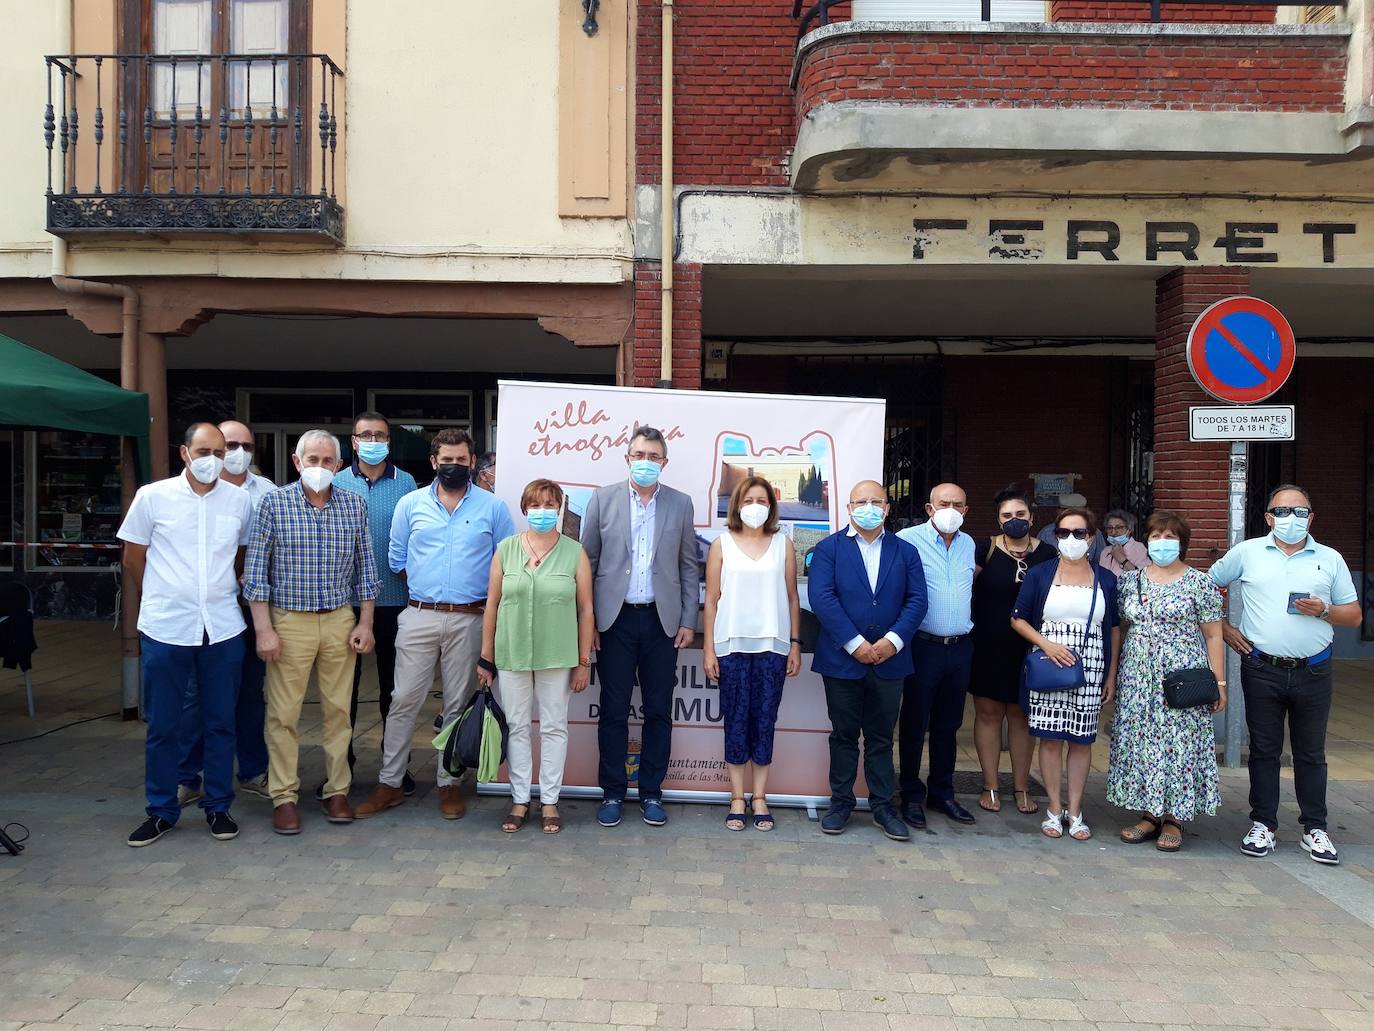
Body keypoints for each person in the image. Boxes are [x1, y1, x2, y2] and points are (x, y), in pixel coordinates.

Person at [354, 429, 514, 821]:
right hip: (419, 615)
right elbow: (396, 557)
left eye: (461, 460)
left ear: (472, 462)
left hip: (470, 619)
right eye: (447, 460)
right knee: (403, 699)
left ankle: (449, 783)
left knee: (458, 704)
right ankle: (390, 782)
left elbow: (505, 564)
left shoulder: (493, 508)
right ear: (433, 462)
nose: (454, 466)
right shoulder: (410, 504)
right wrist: (431, 592)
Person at [118, 422, 253, 847]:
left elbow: (240, 556)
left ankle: (218, 806)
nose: (213, 459)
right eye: (204, 450)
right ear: (184, 453)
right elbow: (133, 557)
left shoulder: (239, 501)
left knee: (220, 722)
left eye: (220, 451)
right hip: (166, 627)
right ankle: (161, 810)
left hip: (223, 627)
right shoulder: (152, 497)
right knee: (163, 724)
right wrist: (164, 595)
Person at [1210, 484, 1360, 865]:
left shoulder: (1329, 558)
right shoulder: (1247, 552)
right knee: (1264, 750)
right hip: (1262, 667)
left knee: (1311, 753)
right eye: (1282, 511)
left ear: (1311, 518)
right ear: (1268, 517)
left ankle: (1315, 828)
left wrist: (1324, 610)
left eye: (1299, 512)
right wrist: (1225, 630)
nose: (1290, 519)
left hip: (1314, 668)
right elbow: (1206, 588)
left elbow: (1354, 614)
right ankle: (1263, 824)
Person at [242, 429, 379, 835]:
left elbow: (366, 568)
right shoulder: (274, 503)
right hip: (289, 622)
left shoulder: (353, 505)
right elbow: (256, 574)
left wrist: (365, 622)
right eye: (312, 460)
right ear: (297, 462)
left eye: (327, 461)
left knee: (340, 712)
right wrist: (263, 629)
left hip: (338, 619)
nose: (319, 467)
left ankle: (337, 790)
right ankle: (284, 796)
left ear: (339, 465)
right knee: (284, 714)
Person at [581, 426, 699, 829]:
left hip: (661, 622)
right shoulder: (602, 499)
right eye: (638, 455)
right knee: (613, 711)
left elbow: (688, 566)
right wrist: (589, 622)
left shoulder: (681, 504)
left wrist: (688, 620)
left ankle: (651, 792)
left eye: (653, 456)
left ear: (663, 462)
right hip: (614, 620)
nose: (645, 461)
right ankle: (612, 791)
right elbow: (588, 564)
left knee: (658, 711)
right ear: (627, 458)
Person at [809, 481, 928, 841]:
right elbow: (822, 598)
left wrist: (891, 642)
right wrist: (855, 644)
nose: (869, 507)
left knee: (880, 738)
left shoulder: (905, 551)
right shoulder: (829, 549)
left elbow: (917, 600)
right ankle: (840, 804)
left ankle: (882, 806)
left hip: (890, 661)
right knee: (843, 735)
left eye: (876, 501)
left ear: (888, 508)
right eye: (862, 501)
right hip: (843, 661)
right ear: (848, 507)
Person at [477, 479, 594, 835]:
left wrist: (583, 661)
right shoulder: (506, 549)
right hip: (511, 653)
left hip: (557, 656)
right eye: (536, 504)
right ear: (525, 508)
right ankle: (519, 798)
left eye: (549, 504)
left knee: (555, 727)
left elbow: (586, 609)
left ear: (559, 509)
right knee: (516, 727)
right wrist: (486, 658)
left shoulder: (575, 552)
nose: (542, 511)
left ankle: (550, 801)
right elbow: (493, 604)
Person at [1107, 511, 1226, 852]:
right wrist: (1113, 675)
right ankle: (1149, 813)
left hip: (1182, 678)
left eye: (1170, 537)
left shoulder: (1198, 583)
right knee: (1143, 744)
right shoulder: (1131, 581)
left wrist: (1219, 685)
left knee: (1179, 745)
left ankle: (1175, 817)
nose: (1162, 543)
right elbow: (1121, 630)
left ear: (1182, 543)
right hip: (1138, 678)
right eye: (1156, 536)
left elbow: (1214, 636)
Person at [177, 418, 275, 805]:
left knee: (250, 695)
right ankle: (187, 775)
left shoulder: (266, 492)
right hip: (201, 613)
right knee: (195, 696)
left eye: (244, 446)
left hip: (251, 612)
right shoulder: (181, 492)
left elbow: (263, 552)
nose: (235, 454)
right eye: (228, 445)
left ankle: (252, 770)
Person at [1012, 507, 1121, 842]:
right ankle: (1054, 809)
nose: (1071, 540)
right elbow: (1018, 618)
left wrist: (1111, 675)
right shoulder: (1040, 573)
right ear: (1054, 537)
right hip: (1048, 664)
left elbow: (1114, 628)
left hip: (1091, 665)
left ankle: (1076, 811)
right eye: (1063, 533)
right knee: (1049, 738)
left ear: (1091, 537)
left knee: (1081, 741)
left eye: (1079, 533)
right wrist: (1046, 645)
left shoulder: (1106, 578)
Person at [702, 476, 802, 832]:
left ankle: (760, 797)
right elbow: (711, 601)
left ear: (771, 506)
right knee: (736, 720)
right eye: (749, 500)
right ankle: (737, 798)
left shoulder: (783, 545)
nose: (755, 506)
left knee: (764, 721)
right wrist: (709, 650)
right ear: (737, 505)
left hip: (772, 648)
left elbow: (793, 598)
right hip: (731, 648)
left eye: (762, 500)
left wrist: (794, 644)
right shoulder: (721, 545)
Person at [331, 411, 418, 800]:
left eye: (379, 435)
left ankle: (395, 769)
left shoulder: (408, 484)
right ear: (353, 441)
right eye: (365, 434)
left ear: (389, 441)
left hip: (395, 601)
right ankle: (340, 769)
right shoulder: (335, 482)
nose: (372, 440)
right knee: (341, 692)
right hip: (344, 602)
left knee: (394, 692)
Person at [968, 488, 1055, 817]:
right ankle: (990, 784)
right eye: (1007, 516)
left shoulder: (1048, 553)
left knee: (1021, 717)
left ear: (1031, 517)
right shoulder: (984, 549)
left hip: (1031, 646)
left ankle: (1021, 786)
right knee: (989, 716)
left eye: (1020, 515)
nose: (1014, 521)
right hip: (988, 645)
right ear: (998, 519)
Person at [895, 482, 976, 828]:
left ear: (966, 511)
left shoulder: (969, 543)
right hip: (921, 646)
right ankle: (910, 794)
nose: (951, 510)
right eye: (944, 503)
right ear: (929, 508)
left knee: (949, 725)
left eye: (958, 504)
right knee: (915, 725)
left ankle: (942, 792)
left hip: (959, 648)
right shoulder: (907, 540)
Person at [1038, 493, 1106, 565]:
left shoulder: (1094, 532)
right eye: (1063, 533)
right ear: (1058, 511)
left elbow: (1101, 559)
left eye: (1080, 533)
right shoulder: (1047, 532)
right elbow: (1039, 561)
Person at [1100, 509, 1149, 577]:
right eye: (1110, 528)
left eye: (1119, 527)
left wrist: (1122, 559)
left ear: (1129, 529)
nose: (1113, 532)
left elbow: (1142, 578)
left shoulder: (1139, 549)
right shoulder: (1105, 551)